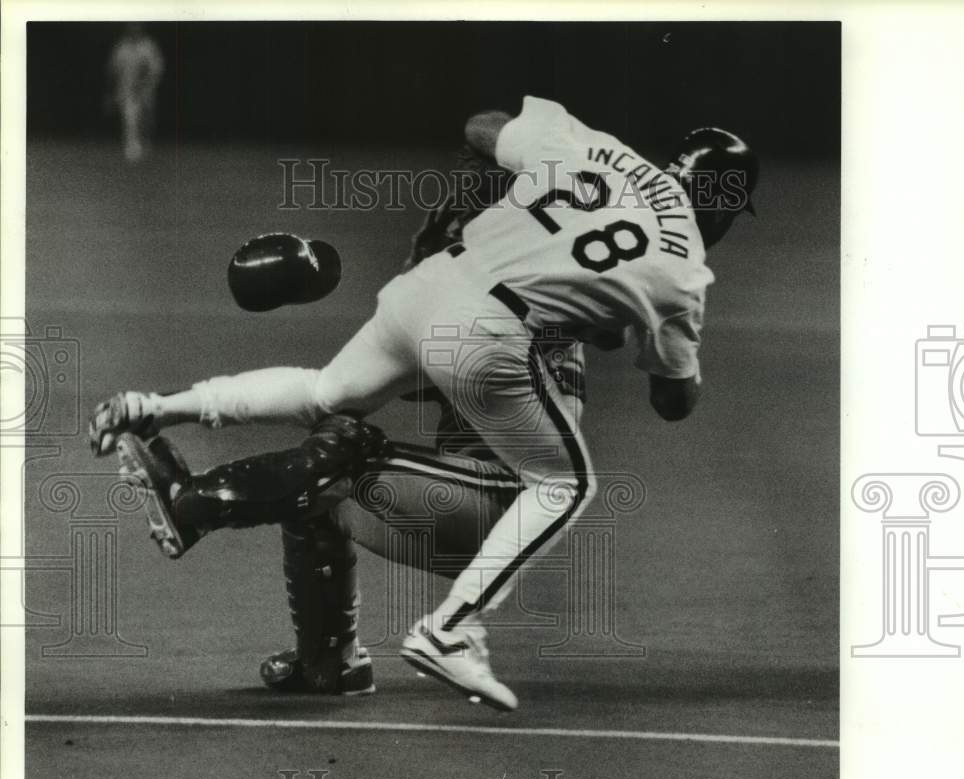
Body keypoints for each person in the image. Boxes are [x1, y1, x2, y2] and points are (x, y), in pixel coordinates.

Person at [91, 97, 758, 710]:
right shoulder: (670, 273)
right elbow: (673, 397)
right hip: (460, 517)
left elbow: (482, 128)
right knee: (549, 480)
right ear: (724, 208)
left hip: (434, 307)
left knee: (330, 405)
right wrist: (654, 330)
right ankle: (433, 630)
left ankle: (157, 410)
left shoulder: (586, 164)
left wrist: (493, 184)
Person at [106, 23, 163, 162]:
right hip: (125, 89)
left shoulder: (148, 46)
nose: (133, 32)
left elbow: (157, 68)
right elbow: (113, 68)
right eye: (131, 29)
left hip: (146, 89)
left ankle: (146, 143)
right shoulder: (121, 47)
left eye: (136, 29)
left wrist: (144, 81)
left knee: (146, 119)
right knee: (129, 118)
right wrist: (111, 90)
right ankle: (132, 148)